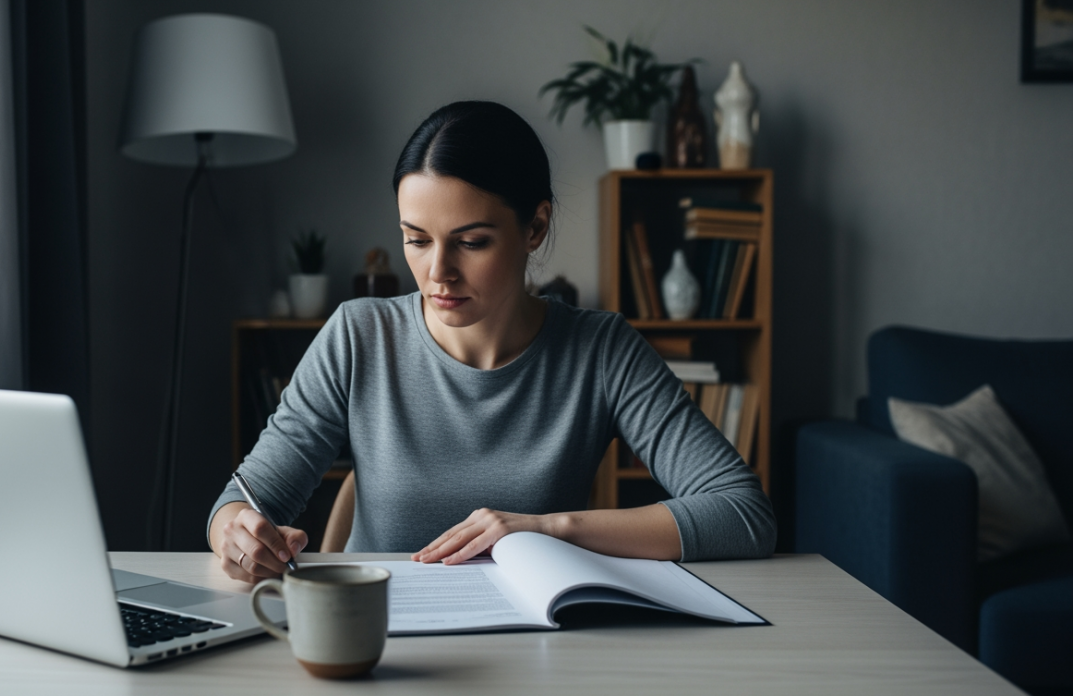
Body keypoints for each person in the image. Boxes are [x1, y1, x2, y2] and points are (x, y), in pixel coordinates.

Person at [209, 101, 775, 583]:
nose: (438, 273)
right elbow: (241, 503)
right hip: (379, 631)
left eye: (472, 242)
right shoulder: (359, 337)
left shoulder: (601, 350)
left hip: (536, 638)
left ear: (535, 228)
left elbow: (743, 513)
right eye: (416, 240)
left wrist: (548, 528)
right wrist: (236, 531)